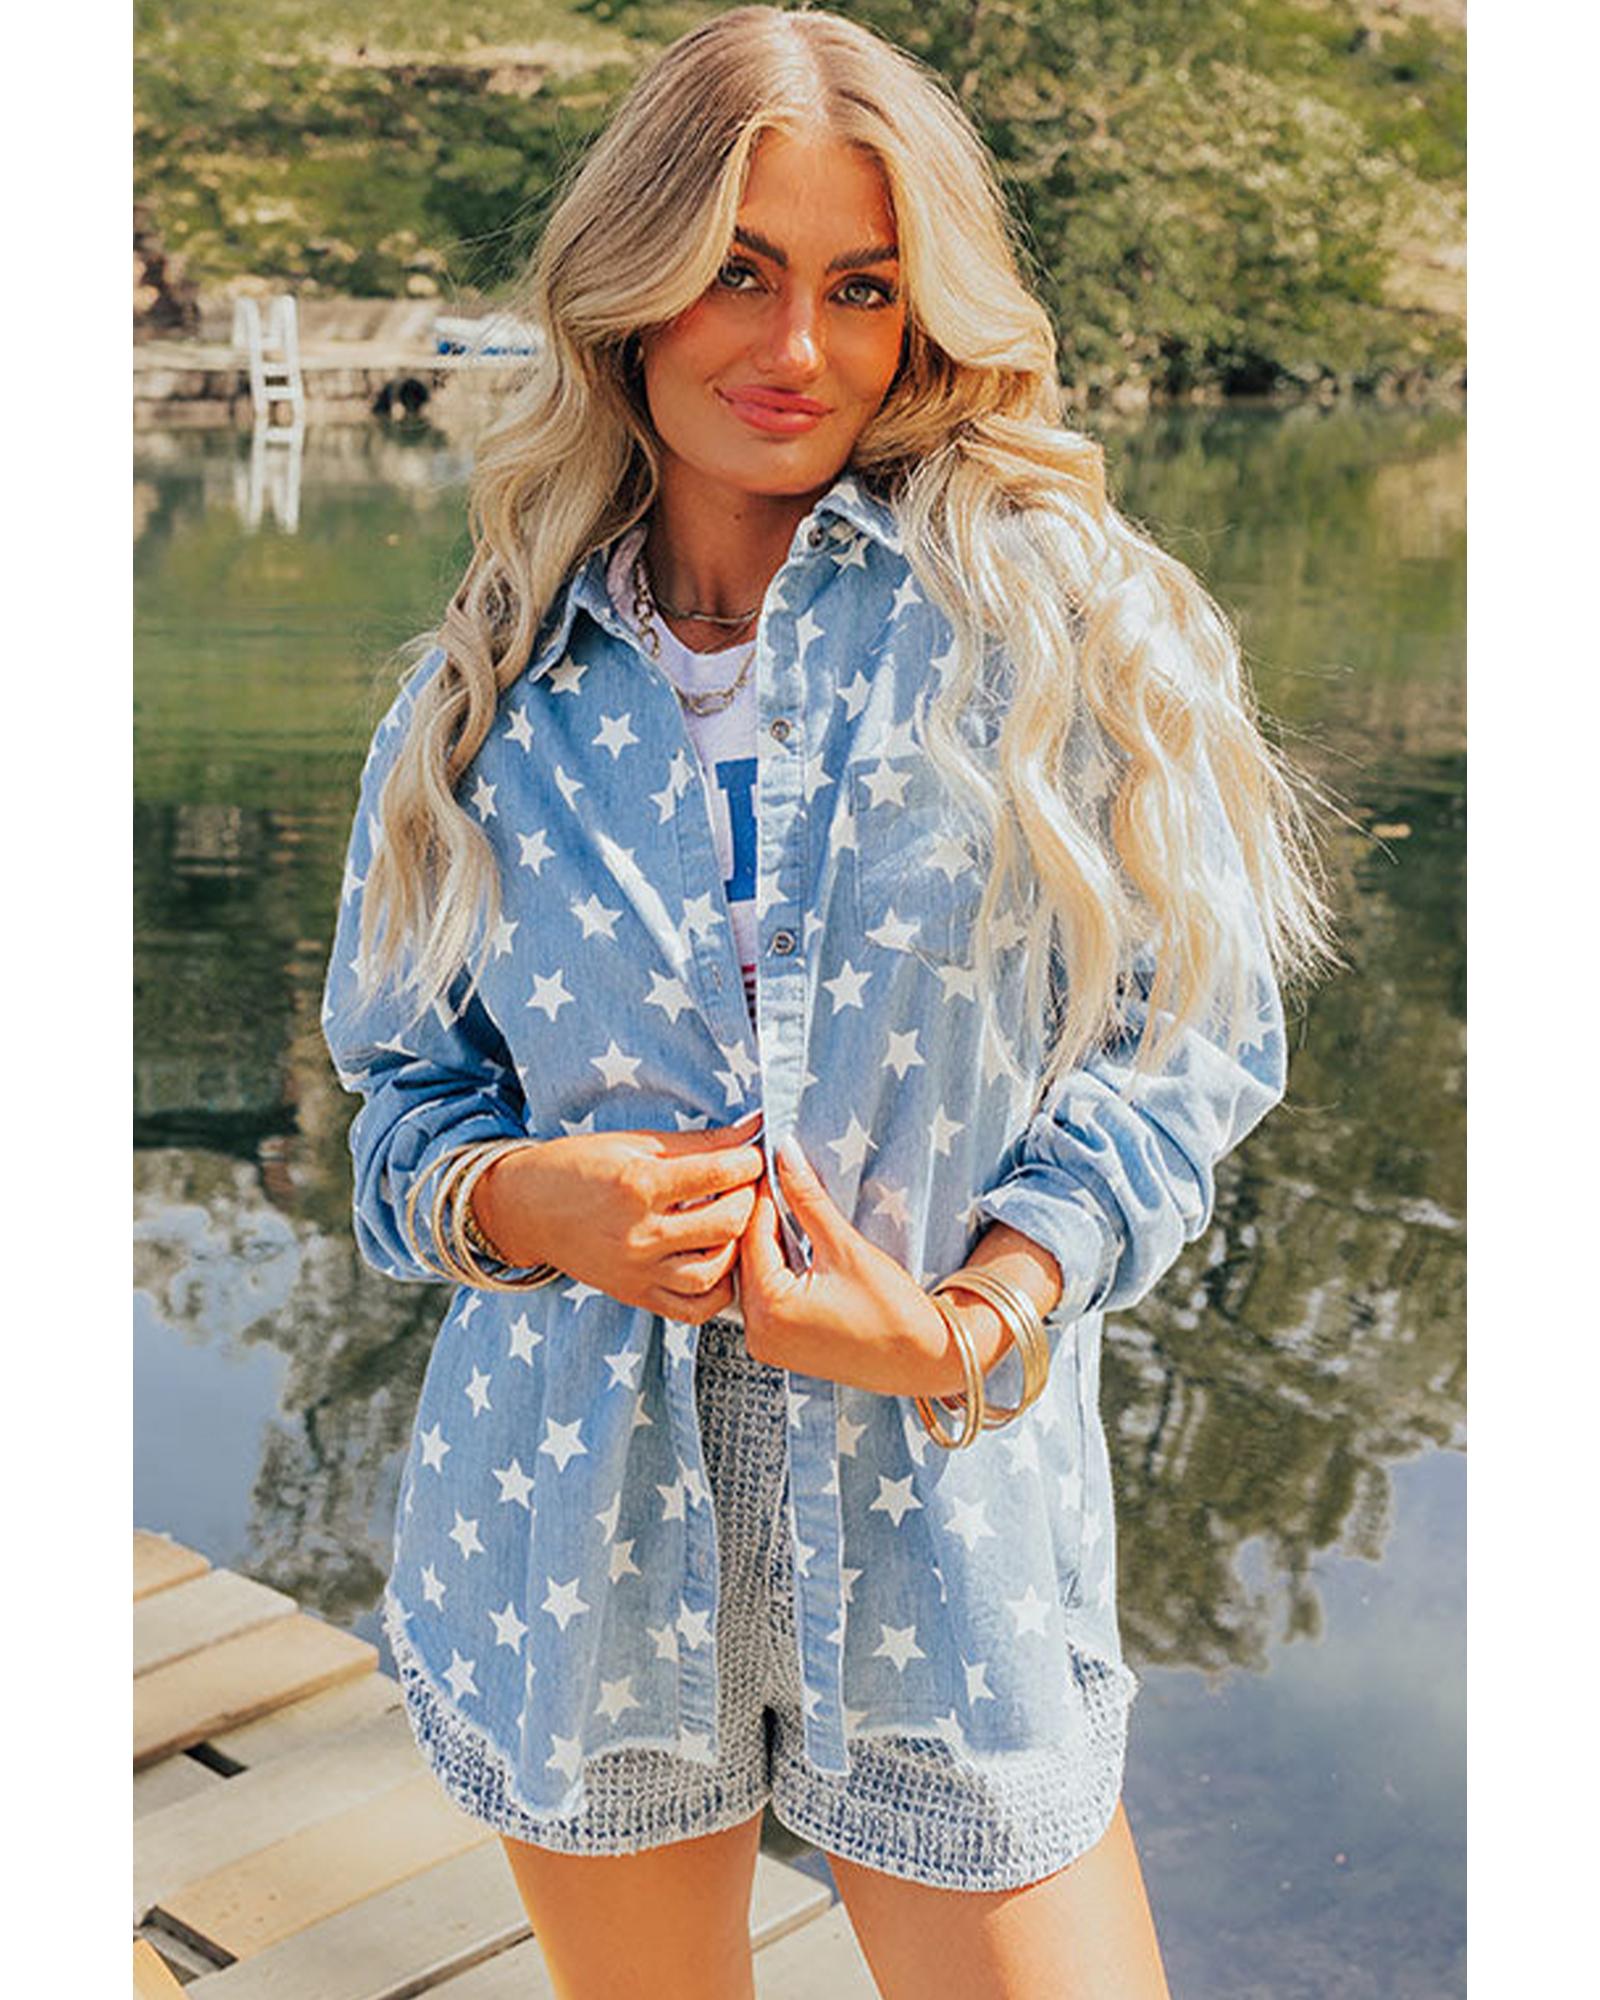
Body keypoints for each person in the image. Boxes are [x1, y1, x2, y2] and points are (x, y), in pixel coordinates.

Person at [320, 7, 1330, 1994]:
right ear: (628, 290)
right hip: (576, 1539)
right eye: (735, 271)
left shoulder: (1064, 623)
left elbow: (1187, 1045)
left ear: (922, 311)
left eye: (860, 286)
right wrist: (530, 1205)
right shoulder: (487, 689)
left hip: (948, 1521)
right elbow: (402, 1105)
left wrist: (968, 1318)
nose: (795, 345)